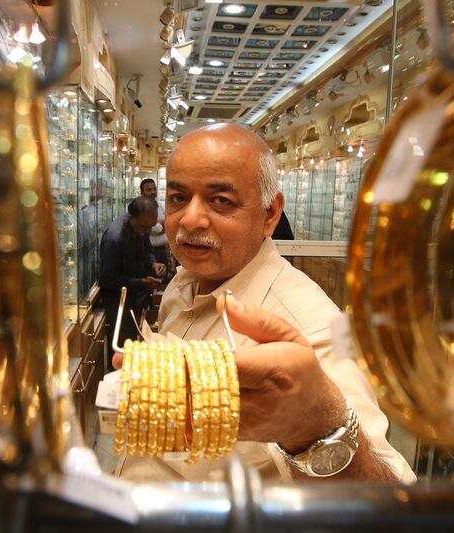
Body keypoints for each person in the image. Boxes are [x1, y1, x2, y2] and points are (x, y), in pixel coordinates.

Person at [114, 124, 415, 483]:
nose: (190, 219)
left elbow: (392, 503)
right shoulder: (184, 282)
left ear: (270, 214)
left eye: (221, 201)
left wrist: (318, 425)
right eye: (179, 198)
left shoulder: (309, 327)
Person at [100, 196, 166, 359]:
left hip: (136, 292)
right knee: (122, 348)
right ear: (131, 217)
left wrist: (153, 264)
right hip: (118, 298)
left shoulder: (142, 226)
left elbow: (147, 249)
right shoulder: (114, 239)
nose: (147, 232)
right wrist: (140, 282)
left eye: (151, 227)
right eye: (144, 227)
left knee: (135, 340)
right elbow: (107, 279)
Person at [140, 178, 168, 265]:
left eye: (154, 189)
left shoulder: (159, 205)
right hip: (149, 252)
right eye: (149, 190)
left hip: (162, 250)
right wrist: (161, 224)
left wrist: (160, 223)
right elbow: (152, 230)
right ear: (142, 191)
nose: (153, 192)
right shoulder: (140, 207)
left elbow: (168, 225)